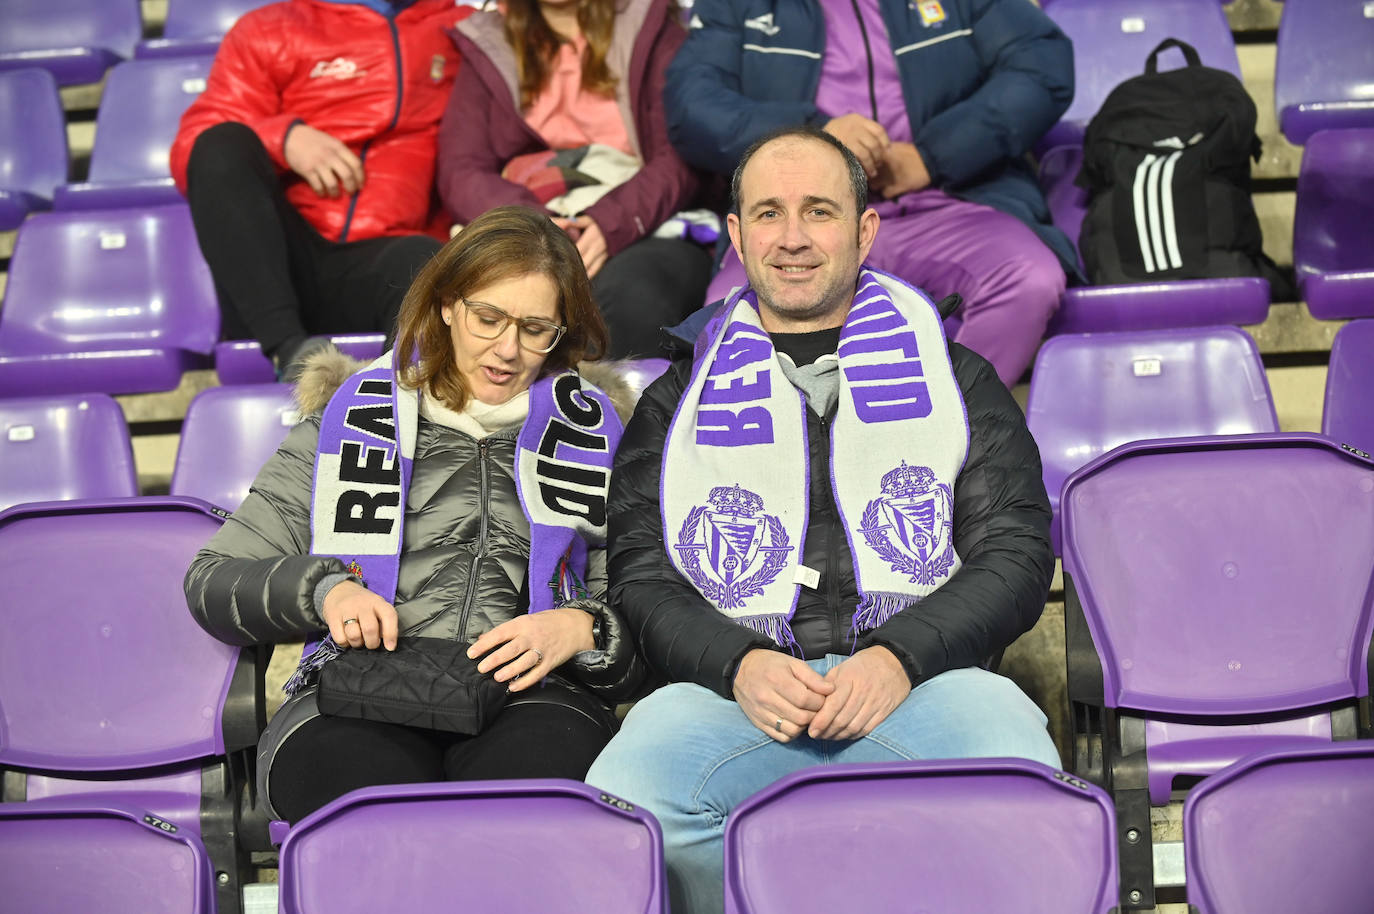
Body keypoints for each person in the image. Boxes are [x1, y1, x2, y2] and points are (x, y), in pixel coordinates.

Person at [585, 127, 1060, 914]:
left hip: (925, 684)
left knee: (1020, 777)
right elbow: (641, 572)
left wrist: (898, 656)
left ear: (865, 229)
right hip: (736, 692)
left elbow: (1013, 552)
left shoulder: (955, 375)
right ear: (735, 235)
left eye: (820, 212)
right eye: (768, 213)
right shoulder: (677, 399)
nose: (794, 238)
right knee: (632, 802)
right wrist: (737, 661)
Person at [185, 206, 645, 823]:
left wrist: (587, 630)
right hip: (360, 690)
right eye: (488, 318)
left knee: (531, 797)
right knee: (367, 800)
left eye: (537, 330)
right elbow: (212, 577)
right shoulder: (346, 421)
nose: (507, 350)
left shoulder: (596, 434)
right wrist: (324, 592)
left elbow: (650, 601)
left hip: (535, 695)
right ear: (449, 303)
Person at [662, 0, 1078, 386]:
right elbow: (692, 106)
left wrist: (933, 156)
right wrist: (813, 137)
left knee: (1028, 278)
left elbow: (1042, 65)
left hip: (951, 198)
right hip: (805, 211)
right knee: (733, 310)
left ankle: (947, 444)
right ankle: (813, 458)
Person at [170, 0, 474, 379]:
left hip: (386, 263)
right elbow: (191, 149)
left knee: (423, 259)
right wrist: (284, 138)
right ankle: (292, 355)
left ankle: (392, 399)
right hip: (278, 268)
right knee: (221, 144)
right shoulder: (270, 28)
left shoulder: (463, 31)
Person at [438, 0, 711, 359]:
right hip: (530, 216)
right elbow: (461, 168)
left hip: (642, 220)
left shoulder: (651, 23)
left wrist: (610, 222)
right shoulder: (489, 37)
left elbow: (682, 152)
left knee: (632, 295)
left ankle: (624, 413)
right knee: (455, 288)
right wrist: (537, 227)